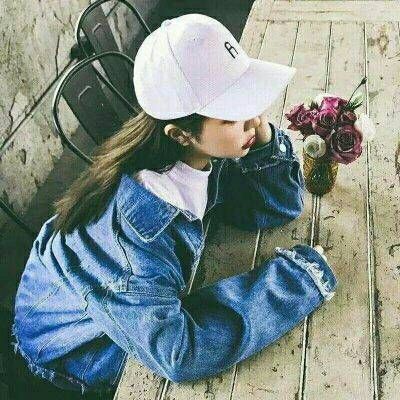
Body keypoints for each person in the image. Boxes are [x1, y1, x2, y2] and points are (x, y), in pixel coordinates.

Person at [10, 13, 337, 396]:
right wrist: (298, 280)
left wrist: (261, 138)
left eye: (248, 99)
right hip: (76, 352)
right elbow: (181, 355)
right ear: (181, 133)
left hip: (123, 304)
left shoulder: (193, 154)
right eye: (232, 115)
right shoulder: (133, 239)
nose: (252, 120)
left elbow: (277, 206)